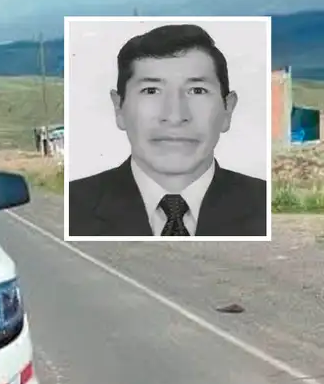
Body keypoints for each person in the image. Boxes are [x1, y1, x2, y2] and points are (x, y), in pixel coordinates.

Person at [67, 23, 267, 237]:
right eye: (151, 91)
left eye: (197, 90)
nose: (174, 115)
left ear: (227, 109)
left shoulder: (265, 206)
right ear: (119, 108)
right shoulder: (74, 208)